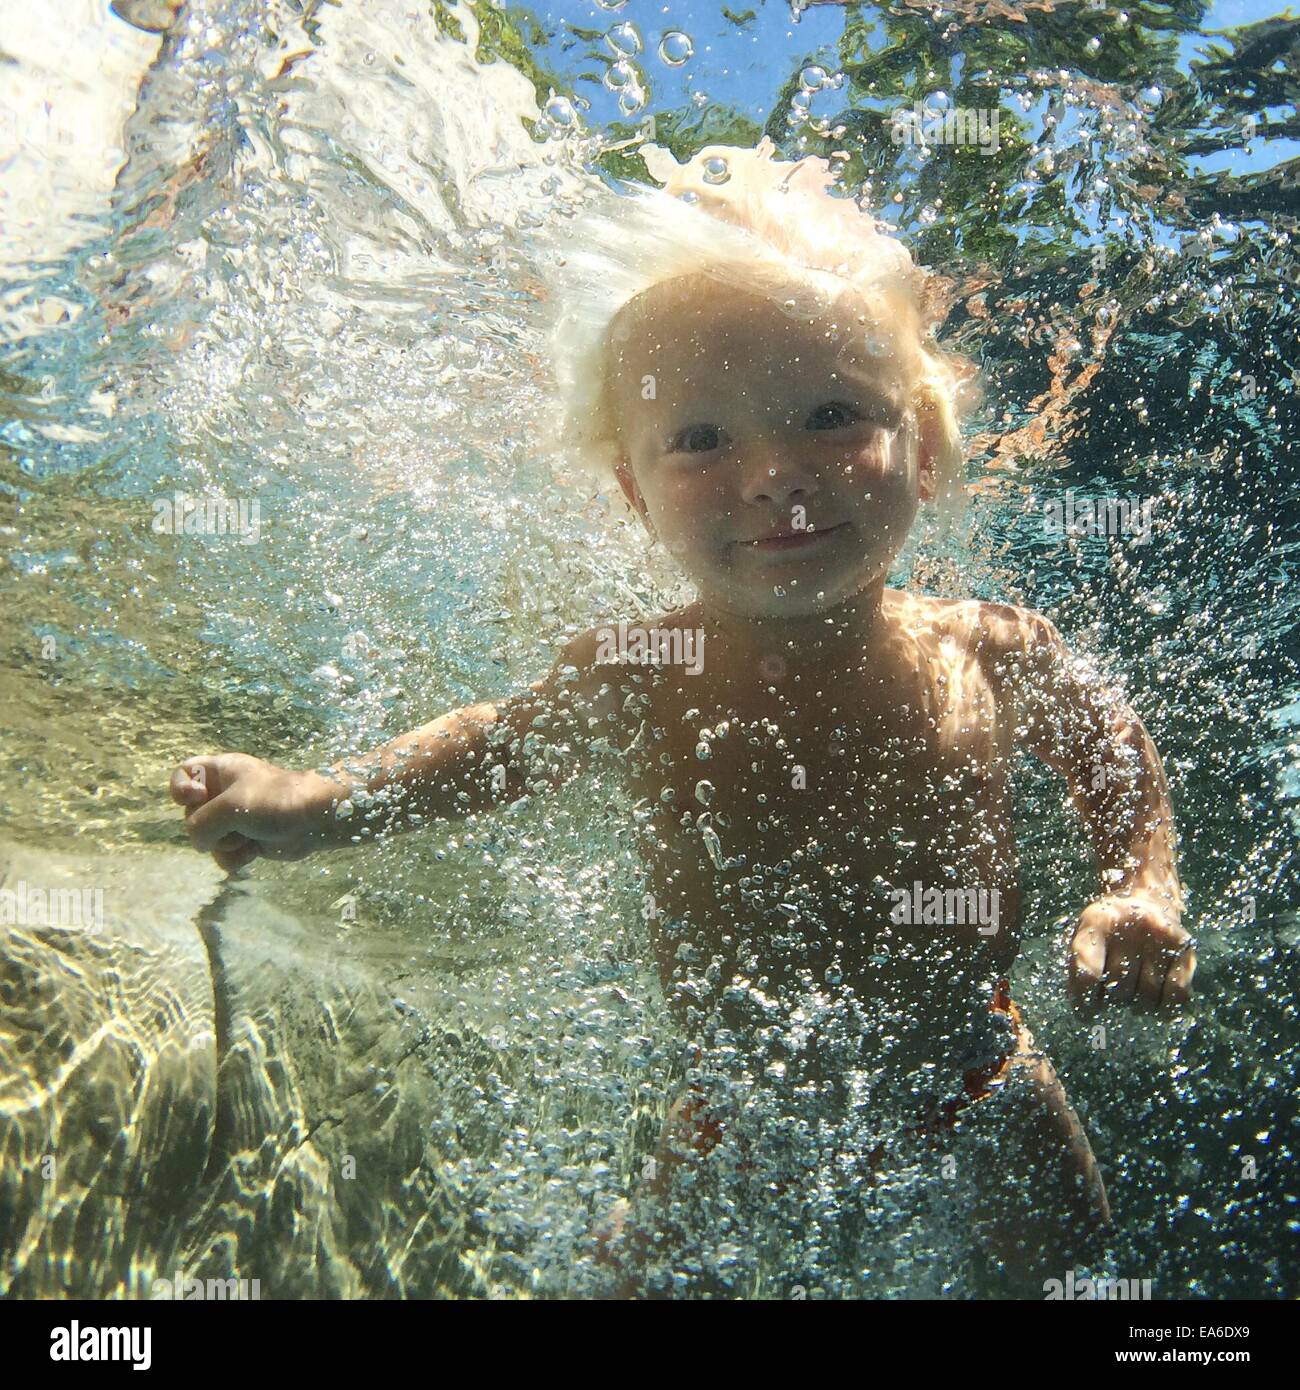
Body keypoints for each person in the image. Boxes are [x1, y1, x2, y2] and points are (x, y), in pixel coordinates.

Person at [169, 137, 1194, 1296]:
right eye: (703, 438)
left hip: (977, 1068)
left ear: (924, 449)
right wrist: (317, 801)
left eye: (826, 414)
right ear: (633, 491)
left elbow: (1104, 731)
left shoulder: (983, 647)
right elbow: (498, 748)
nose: (773, 474)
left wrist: (1137, 877)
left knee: (1087, 1287)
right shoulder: (648, 669)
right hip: (730, 1108)